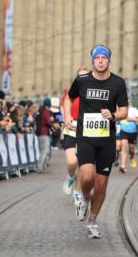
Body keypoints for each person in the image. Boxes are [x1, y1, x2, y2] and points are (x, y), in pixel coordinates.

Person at [68, 46, 128, 238]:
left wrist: (114, 115)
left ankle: (92, 222)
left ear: (109, 60)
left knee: (101, 185)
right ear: (93, 61)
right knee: (87, 177)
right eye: (97, 58)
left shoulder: (118, 83)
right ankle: (85, 198)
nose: (100, 61)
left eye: (104, 58)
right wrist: (68, 116)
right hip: (85, 137)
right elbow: (69, 98)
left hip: (107, 140)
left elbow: (124, 110)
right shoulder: (82, 80)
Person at [60, 68, 88, 202]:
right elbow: (64, 105)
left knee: (83, 165)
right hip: (71, 128)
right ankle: (71, 176)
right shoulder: (71, 92)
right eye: (80, 76)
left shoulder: (92, 92)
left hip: (87, 131)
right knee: (72, 161)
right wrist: (66, 117)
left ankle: (77, 192)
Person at [117, 99, 138, 171]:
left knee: (132, 149)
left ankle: (132, 157)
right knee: (124, 147)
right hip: (123, 131)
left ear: (129, 103)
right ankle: (123, 165)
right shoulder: (120, 109)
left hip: (132, 132)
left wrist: (131, 119)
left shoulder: (134, 110)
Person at [35, 98, 54, 172]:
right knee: (45, 151)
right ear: (48, 105)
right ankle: (40, 167)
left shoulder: (40, 111)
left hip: (40, 133)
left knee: (44, 150)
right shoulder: (45, 111)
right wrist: (51, 119)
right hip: (44, 133)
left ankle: (43, 167)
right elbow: (48, 122)